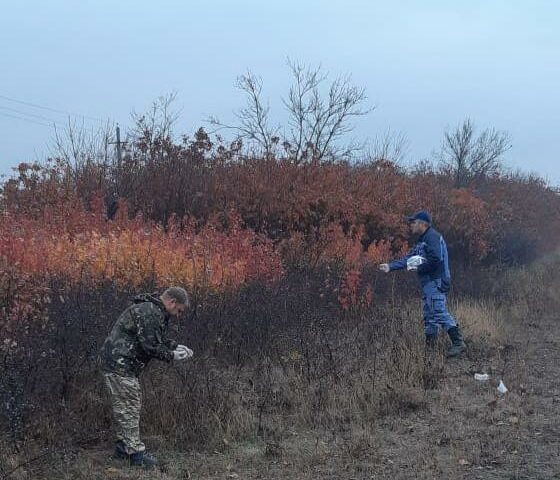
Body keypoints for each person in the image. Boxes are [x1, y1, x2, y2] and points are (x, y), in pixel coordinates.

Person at [100, 287, 193, 468]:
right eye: (179, 310)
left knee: (124, 406)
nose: (178, 314)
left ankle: (122, 449)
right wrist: (173, 356)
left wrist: (176, 346)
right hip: (120, 365)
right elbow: (150, 346)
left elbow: (156, 337)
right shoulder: (150, 311)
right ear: (172, 302)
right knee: (130, 406)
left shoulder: (152, 310)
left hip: (118, 363)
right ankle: (136, 455)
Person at [379, 211, 466, 357]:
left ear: (423, 224)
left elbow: (436, 259)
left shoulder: (432, 237)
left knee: (438, 312)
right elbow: (409, 259)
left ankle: (458, 343)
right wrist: (390, 266)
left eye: (413, 222)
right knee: (429, 316)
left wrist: (419, 267)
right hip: (428, 283)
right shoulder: (421, 241)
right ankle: (430, 352)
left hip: (435, 281)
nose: (411, 225)